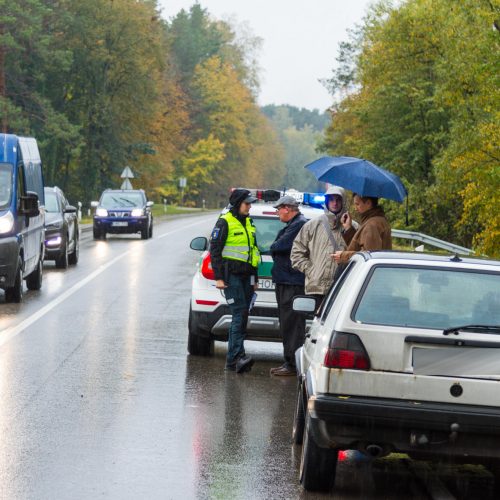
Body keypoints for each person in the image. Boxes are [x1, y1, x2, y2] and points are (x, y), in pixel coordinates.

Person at [209, 189, 260, 373]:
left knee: (242, 316)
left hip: (247, 277)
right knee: (239, 314)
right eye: (247, 203)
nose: (250, 206)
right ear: (238, 203)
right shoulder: (225, 222)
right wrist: (219, 278)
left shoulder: (249, 222)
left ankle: (232, 361)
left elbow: (253, 252)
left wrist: (254, 279)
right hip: (231, 277)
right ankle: (238, 356)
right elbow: (214, 250)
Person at [269, 195, 308, 376]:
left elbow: (279, 246)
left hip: (292, 282)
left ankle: (293, 365)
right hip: (287, 280)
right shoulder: (293, 224)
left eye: (278, 209)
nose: (277, 213)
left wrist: (274, 245)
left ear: (287, 208)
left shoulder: (298, 225)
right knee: (287, 323)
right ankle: (289, 361)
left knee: (292, 324)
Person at [291, 186, 347, 309]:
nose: (335, 203)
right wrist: (311, 270)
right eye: (331, 199)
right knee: (317, 325)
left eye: (338, 199)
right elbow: (296, 253)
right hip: (316, 288)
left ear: (343, 202)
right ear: (326, 201)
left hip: (342, 288)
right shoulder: (312, 225)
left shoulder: (352, 227)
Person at [333, 193, 392, 264]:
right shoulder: (377, 220)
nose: (355, 208)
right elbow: (360, 245)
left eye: (357, 204)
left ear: (368, 203)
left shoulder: (372, 225)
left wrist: (343, 256)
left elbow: (368, 256)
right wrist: (348, 228)